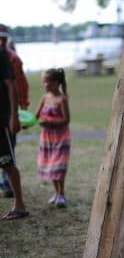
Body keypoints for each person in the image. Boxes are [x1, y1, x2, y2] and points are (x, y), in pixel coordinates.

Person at [0, 24, 29, 198]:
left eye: (4, 37)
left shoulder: (11, 58)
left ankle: (7, 184)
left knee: (7, 153)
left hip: (6, 114)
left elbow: (19, 84)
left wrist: (20, 110)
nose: (2, 40)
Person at [36, 68, 71, 207]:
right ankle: (56, 193)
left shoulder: (62, 99)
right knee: (50, 166)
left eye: (46, 82)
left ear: (56, 83)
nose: (44, 85)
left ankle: (62, 194)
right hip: (47, 139)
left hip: (60, 138)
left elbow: (66, 120)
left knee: (59, 167)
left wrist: (48, 122)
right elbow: (36, 116)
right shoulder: (44, 98)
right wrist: (25, 122)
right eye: (43, 82)